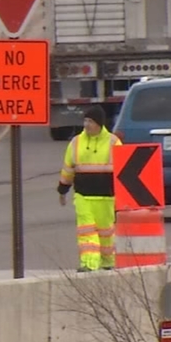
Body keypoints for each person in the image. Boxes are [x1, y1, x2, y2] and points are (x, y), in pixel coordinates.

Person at [57, 107, 123, 272]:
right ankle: (89, 263)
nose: (86, 125)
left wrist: (123, 196)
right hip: (83, 195)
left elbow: (123, 171)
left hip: (106, 196)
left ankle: (108, 261)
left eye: (90, 121)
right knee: (86, 230)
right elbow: (68, 168)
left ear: (99, 123)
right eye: (85, 121)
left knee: (106, 232)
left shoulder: (114, 142)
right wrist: (62, 190)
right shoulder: (76, 142)